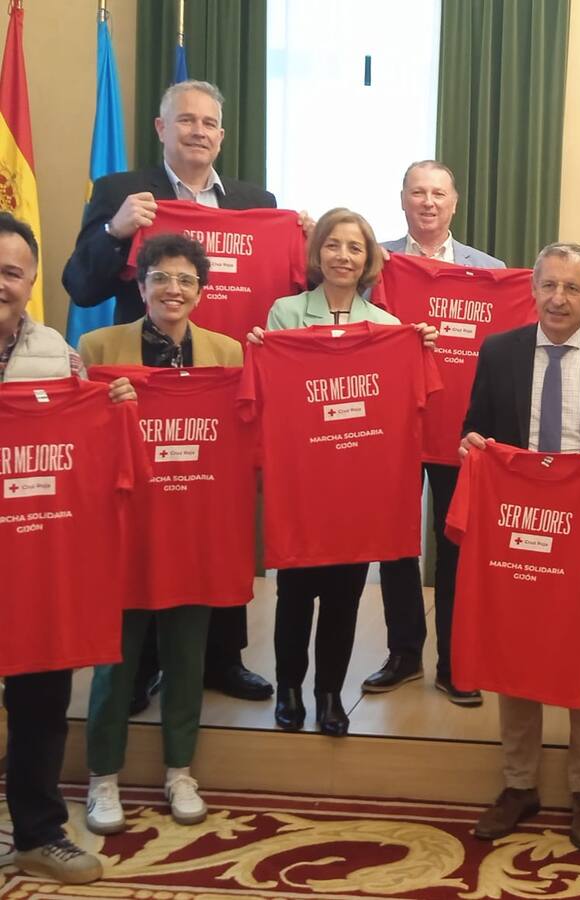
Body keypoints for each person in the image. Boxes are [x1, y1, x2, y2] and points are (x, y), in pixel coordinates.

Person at [61, 78, 278, 704]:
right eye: (186, 120)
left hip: (224, 377)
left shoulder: (252, 200)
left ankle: (221, 658)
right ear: (162, 128)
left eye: (210, 122)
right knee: (147, 516)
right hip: (143, 383)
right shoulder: (120, 193)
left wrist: (308, 240)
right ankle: (141, 661)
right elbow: (80, 285)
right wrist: (114, 233)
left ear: (222, 135)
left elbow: (280, 282)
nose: (199, 131)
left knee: (219, 511)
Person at [462, 242, 580, 851]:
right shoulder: (499, 353)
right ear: (532, 290)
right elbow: (476, 426)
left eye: (572, 288)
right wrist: (472, 449)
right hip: (518, 530)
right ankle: (519, 784)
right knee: (515, 653)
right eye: (549, 286)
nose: (559, 299)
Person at [77, 233, 238, 836]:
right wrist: (101, 401)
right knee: (115, 657)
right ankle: (102, 777)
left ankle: (179, 770)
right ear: (140, 285)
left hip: (195, 523)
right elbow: (77, 440)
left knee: (187, 653)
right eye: (161, 278)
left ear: (201, 291)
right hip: (123, 527)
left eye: (187, 280)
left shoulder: (226, 355)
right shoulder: (98, 348)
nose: (174, 289)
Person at [250, 208, 427, 737]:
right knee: (296, 591)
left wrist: (420, 349)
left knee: (346, 595)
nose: (343, 256)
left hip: (358, 488)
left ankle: (329, 693)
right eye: (333, 245)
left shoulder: (389, 328)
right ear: (317, 252)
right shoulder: (284, 314)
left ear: (369, 259)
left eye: (354, 247)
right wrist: (261, 353)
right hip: (303, 482)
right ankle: (288, 688)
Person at [1, 212, 133, 885]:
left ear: (29, 281)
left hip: (35, 555)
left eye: (12, 272)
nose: (1, 283)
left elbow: (80, 432)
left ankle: (38, 832)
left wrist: (106, 402)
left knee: (41, 699)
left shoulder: (56, 350)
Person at [365, 160, 504, 705]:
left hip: (461, 427)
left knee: (456, 547)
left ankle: (454, 660)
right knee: (397, 543)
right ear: (402, 199)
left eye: (438, 193)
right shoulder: (378, 265)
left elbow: (500, 358)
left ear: (455, 202)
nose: (428, 202)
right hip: (395, 427)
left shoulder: (490, 272)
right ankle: (403, 655)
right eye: (418, 192)